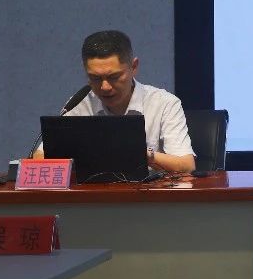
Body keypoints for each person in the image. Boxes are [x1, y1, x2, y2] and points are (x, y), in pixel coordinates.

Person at [36, 30, 195, 173]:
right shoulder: (79, 103)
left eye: (114, 77)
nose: (105, 87)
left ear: (134, 67)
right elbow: (39, 158)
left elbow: (187, 165)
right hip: (93, 193)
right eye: (95, 78)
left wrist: (141, 154)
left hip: (148, 193)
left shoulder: (164, 103)